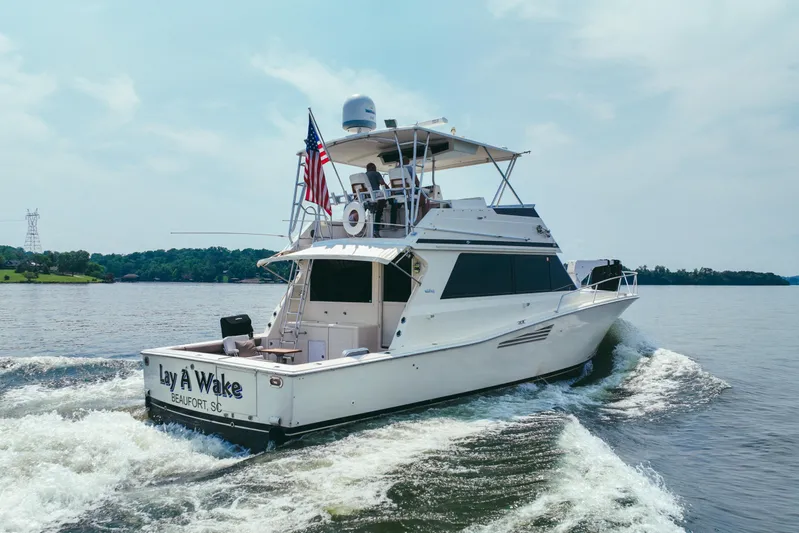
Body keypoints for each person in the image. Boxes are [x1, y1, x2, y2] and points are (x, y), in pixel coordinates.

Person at [365, 162, 394, 237]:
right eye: (374, 167)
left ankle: (372, 229)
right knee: (387, 202)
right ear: (372, 168)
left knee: (379, 204)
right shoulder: (376, 173)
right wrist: (391, 191)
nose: (375, 168)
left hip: (366, 197)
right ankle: (377, 229)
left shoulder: (364, 175)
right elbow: (382, 183)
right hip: (376, 195)